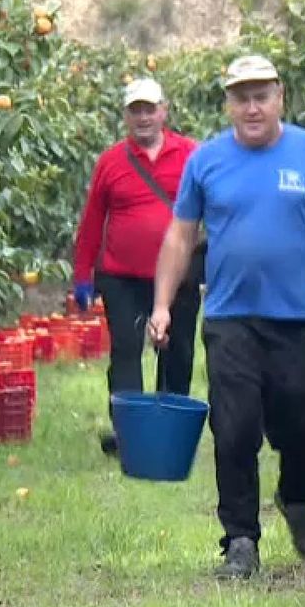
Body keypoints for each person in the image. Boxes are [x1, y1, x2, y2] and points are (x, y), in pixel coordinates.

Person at [147, 54, 305, 580]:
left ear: (280, 98)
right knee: (234, 429)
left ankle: (297, 501)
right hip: (230, 320)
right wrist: (162, 305)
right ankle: (241, 540)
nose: (252, 107)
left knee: (304, 425)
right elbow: (181, 236)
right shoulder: (206, 161)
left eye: (261, 96)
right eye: (241, 97)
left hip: (296, 320)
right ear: (228, 104)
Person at [72, 77, 203, 456]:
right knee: (126, 351)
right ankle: (129, 435)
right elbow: (93, 220)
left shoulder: (190, 155)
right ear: (126, 116)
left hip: (179, 274)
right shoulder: (111, 161)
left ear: (164, 110)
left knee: (177, 351)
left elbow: (215, 208)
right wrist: (84, 277)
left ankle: (171, 429)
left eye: (150, 109)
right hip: (122, 277)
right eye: (135, 110)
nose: (143, 117)